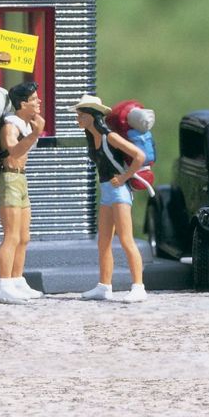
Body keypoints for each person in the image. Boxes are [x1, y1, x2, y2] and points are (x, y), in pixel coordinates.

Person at [75, 94, 148, 303]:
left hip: (119, 191)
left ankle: (138, 286)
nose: (78, 119)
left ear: (91, 116)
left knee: (126, 239)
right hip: (107, 191)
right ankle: (104, 286)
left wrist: (124, 177)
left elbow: (139, 156)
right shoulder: (93, 138)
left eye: (81, 115)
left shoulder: (110, 137)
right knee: (103, 242)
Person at [0, 81, 45, 304]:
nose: (38, 101)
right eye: (33, 99)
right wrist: (36, 134)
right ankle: (4, 284)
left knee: (24, 236)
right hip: (10, 179)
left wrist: (34, 132)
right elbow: (13, 151)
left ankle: (17, 279)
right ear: (22, 104)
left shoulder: (24, 124)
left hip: (21, 178)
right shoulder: (11, 125)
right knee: (11, 235)